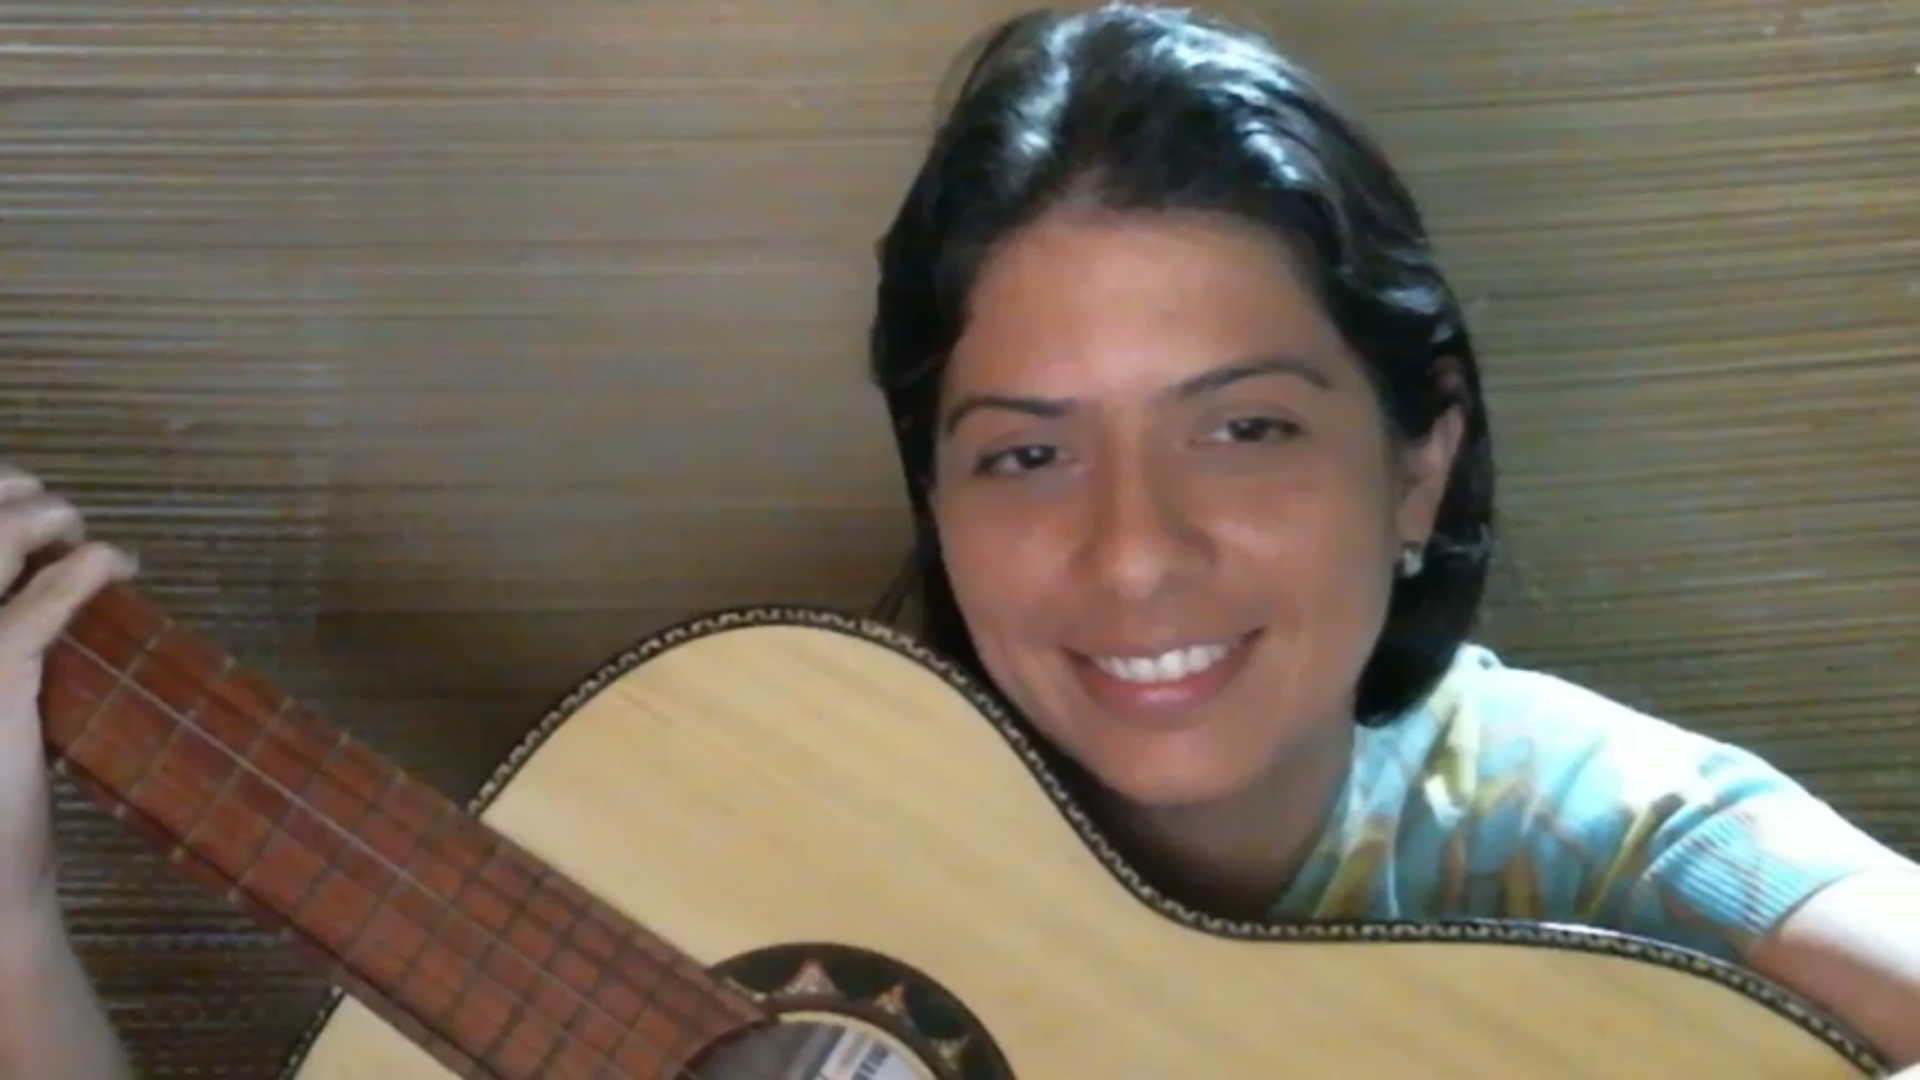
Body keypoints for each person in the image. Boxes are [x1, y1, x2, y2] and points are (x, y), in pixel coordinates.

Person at [0, 3, 1914, 1077]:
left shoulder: (1574, 825)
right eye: (1025, 454)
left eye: (1245, 427)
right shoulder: (740, 823)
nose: (1133, 554)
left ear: (1420, 466)